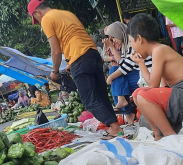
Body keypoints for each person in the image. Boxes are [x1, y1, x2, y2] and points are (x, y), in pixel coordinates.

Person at [28, 0, 123, 138]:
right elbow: (76, 39)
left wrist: (54, 72)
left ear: (37, 12)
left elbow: (55, 51)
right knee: (101, 95)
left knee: (89, 100)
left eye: (36, 18)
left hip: (80, 59)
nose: (38, 21)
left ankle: (114, 127)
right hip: (93, 54)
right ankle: (116, 127)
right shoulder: (66, 14)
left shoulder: (46, 19)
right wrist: (70, 64)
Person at [129, 14, 183, 141]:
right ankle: (158, 134)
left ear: (139, 38)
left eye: (131, 42)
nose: (132, 47)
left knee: (142, 95)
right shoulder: (158, 51)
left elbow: (152, 85)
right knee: (137, 94)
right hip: (180, 92)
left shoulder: (159, 50)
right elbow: (161, 85)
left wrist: (141, 64)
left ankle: (169, 135)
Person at [104, 22, 152, 126]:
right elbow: (122, 63)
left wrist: (111, 77)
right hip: (137, 73)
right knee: (115, 70)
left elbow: (126, 67)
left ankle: (126, 110)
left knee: (115, 72)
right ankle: (124, 105)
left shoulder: (133, 43)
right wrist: (112, 47)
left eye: (113, 37)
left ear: (119, 33)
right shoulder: (127, 45)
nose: (114, 40)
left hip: (144, 74)